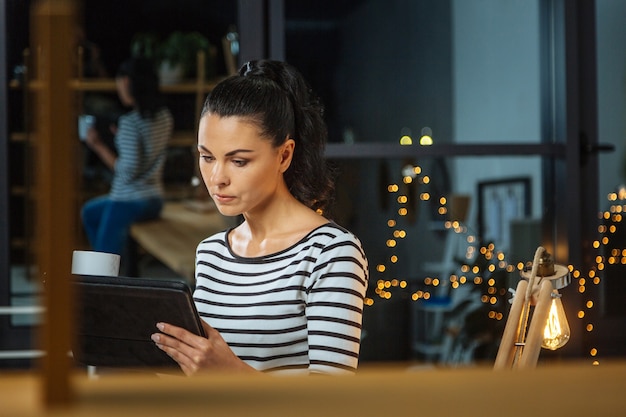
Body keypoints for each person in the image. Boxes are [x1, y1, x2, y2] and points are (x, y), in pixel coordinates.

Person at [151, 60, 369, 375]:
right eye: (207, 157)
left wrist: (231, 374)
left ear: (284, 154)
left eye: (238, 161)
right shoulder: (211, 253)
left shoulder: (330, 252)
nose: (217, 178)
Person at [81, 57, 174, 256]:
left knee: (102, 258)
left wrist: (97, 146)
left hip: (129, 200)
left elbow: (127, 171)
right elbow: (146, 148)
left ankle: (105, 277)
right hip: (155, 199)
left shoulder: (130, 122)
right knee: (90, 212)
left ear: (126, 82)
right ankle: (121, 267)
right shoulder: (165, 117)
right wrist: (122, 138)